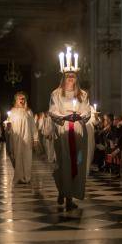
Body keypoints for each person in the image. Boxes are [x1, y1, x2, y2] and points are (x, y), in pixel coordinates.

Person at [49, 70, 92, 210]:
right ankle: (63, 191)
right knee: (63, 163)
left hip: (78, 130)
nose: (70, 78)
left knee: (77, 163)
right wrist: (64, 117)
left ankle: (70, 196)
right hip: (63, 131)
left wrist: (80, 116)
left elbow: (87, 111)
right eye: (68, 76)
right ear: (63, 77)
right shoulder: (56, 93)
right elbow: (52, 111)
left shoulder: (83, 94)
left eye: (73, 76)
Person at [8, 91, 39, 185]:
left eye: (23, 98)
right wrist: (7, 127)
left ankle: (26, 177)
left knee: (27, 157)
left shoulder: (28, 111)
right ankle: (19, 177)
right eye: (20, 98)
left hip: (27, 136)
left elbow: (33, 126)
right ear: (16, 100)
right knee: (17, 156)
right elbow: (9, 125)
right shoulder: (12, 111)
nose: (22, 100)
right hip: (16, 137)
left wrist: (35, 138)